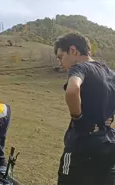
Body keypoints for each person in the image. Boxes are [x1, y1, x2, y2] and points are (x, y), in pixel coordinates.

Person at [54, 32, 115, 185]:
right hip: (107, 143)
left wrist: (78, 118)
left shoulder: (80, 68)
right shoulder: (111, 73)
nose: (61, 63)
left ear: (73, 50)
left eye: (61, 57)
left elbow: (73, 90)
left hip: (81, 145)